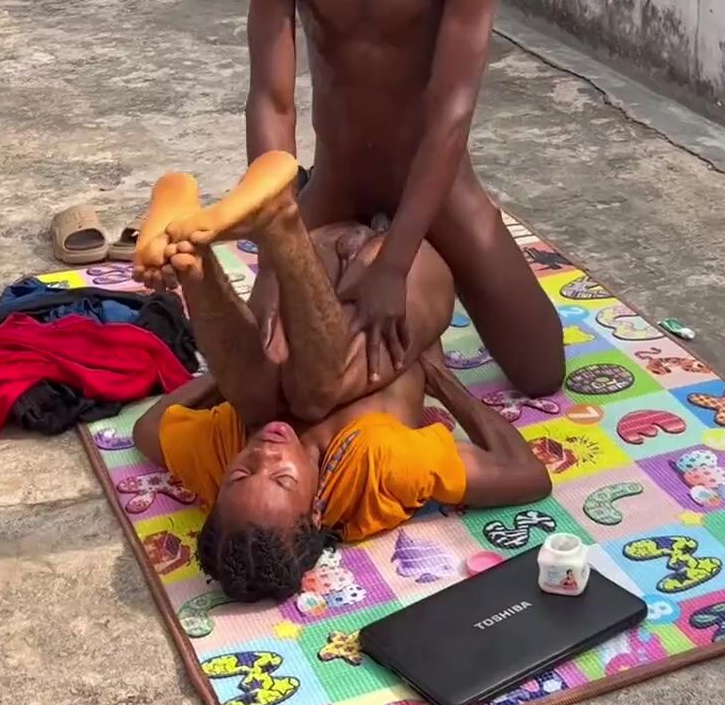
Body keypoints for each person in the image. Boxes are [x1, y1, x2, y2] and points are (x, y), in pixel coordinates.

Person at [241, 0, 565, 398]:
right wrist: (278, 241)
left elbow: (451, 114)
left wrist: (394, 265)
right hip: (337, 180)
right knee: (266, 369)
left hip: (437, 182)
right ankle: (400, 315)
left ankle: (417, 291)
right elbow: (271, 100)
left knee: (541, 372)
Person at [130, 152, 551, 602]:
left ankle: (193, 262)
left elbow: (148, 429)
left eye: (242, 472)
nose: (266, 453)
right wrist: (443, 380)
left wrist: (233, 375)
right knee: (307, 396)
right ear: (315, 513)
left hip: (319, 258)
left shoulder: (222, 473)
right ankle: (280, 221)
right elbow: (527, 474)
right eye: (282, 478)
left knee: (255, 400)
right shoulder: (378, 472)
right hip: (402, 276)